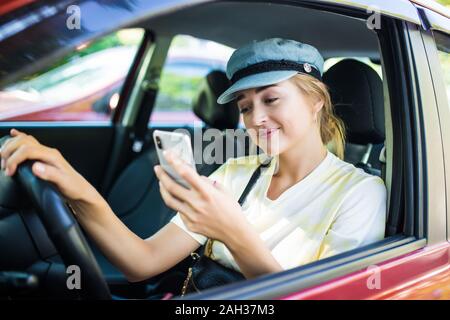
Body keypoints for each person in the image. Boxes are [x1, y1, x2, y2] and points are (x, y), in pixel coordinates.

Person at [0, 38, 386, 288]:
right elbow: (142, 260)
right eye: (245, 107)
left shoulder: (359, 193)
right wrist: (77, 189)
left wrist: (233, 231)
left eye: (271, 100)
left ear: (316, 100)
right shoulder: (235, 174)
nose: (255, 119)